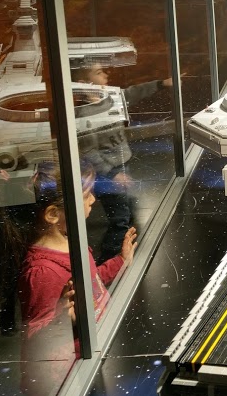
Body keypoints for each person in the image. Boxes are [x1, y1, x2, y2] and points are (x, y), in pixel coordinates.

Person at [13, 160, 138, 396]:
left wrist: (120, 261)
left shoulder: (71, 240)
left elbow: (91, 281)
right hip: (69, 378)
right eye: (86, 195)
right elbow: (34, 337)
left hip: (91, 355)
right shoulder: (42, 272)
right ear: (52, 214)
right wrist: (62, 318)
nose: (93, 200)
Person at [72, 64, 170, 262]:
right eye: (98, 72)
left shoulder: (112, 97)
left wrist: (161, 84)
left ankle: (125, 247)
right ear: (84, 83)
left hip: (122, 165)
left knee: (127, 207)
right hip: (107, 173)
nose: (106, 74)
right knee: (119, 218)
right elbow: (88, 151)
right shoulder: (84, 115)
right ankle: (109, 261)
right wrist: (112, 174)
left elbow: (133, 92)